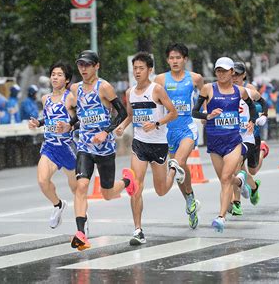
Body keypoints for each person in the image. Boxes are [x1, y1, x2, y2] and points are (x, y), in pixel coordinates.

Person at [57, 50, 136, 251]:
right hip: (84, 145)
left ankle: (128, 181)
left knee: (107, 194)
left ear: (96, 66)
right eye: (80, 65)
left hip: (105, 147)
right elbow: (81, 115)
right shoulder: (75, 88)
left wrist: (105, 131)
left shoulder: (105, 87)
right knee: (81, 186)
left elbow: (121, 114)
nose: (83, 69)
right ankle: (80, 234)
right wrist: (70, 125)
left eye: (87, 65)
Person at [115, 52, 182, 245]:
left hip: (159, 144)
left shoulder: (157, 90)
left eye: (141, 68)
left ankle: (173, 169)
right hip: (140, 144)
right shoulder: (129, 92)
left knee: (161, 190)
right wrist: (122, 126)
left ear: (150, 70)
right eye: (135, 68)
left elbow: (173, 113)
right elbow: (130, 115)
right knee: (135, 185)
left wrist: (157, 124)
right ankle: (138, 230)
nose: (137, 72)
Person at [192, 57, 256, 233]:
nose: (221, 74)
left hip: (233, 141)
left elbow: (253, 108)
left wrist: (252, 121)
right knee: (225, 179)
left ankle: (221, 217)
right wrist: (207, 115)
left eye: (224, 71)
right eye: (218, 71)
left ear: (231, 73)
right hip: (214, 142)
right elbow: (194, 112)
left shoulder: (240, 91)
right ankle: (241, 180)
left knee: (226, 178)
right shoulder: (208, 89)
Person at [154, 43, 204, 229]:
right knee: (180, 168)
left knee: (176, 164)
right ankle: (189, 199)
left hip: (187, 128)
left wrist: (206, 113)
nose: (174, 61)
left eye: (178, 58)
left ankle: (180, 191)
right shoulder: (160, 79)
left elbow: (205, 95)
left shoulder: (195, 78)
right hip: (168, 130)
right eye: (171, 58)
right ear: (167, 60)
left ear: (185, 59)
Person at [28, 61, 77, 229]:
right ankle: (58, 205)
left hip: (67, 147)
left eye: (60, 75)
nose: (55, 77)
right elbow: (49, 119)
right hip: (50, 146)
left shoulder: (70, 97)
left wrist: (69, 125)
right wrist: (38, 123)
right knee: (42, 181)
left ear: (67, 79)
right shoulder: (45, 99)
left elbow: (81, 119)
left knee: (76, 189)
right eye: (53, 74)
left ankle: (82, 221)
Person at [228, 61, 269, 216]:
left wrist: (262, 116)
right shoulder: (225, 91)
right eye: (232, 74)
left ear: (244, 75)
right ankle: (236, 202)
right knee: (236, 167)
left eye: (237, 74)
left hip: (252, 135)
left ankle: (262, 151)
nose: (234, 77)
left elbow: (262, 103)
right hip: (233, 138)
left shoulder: (249, 90)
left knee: (252, 169)